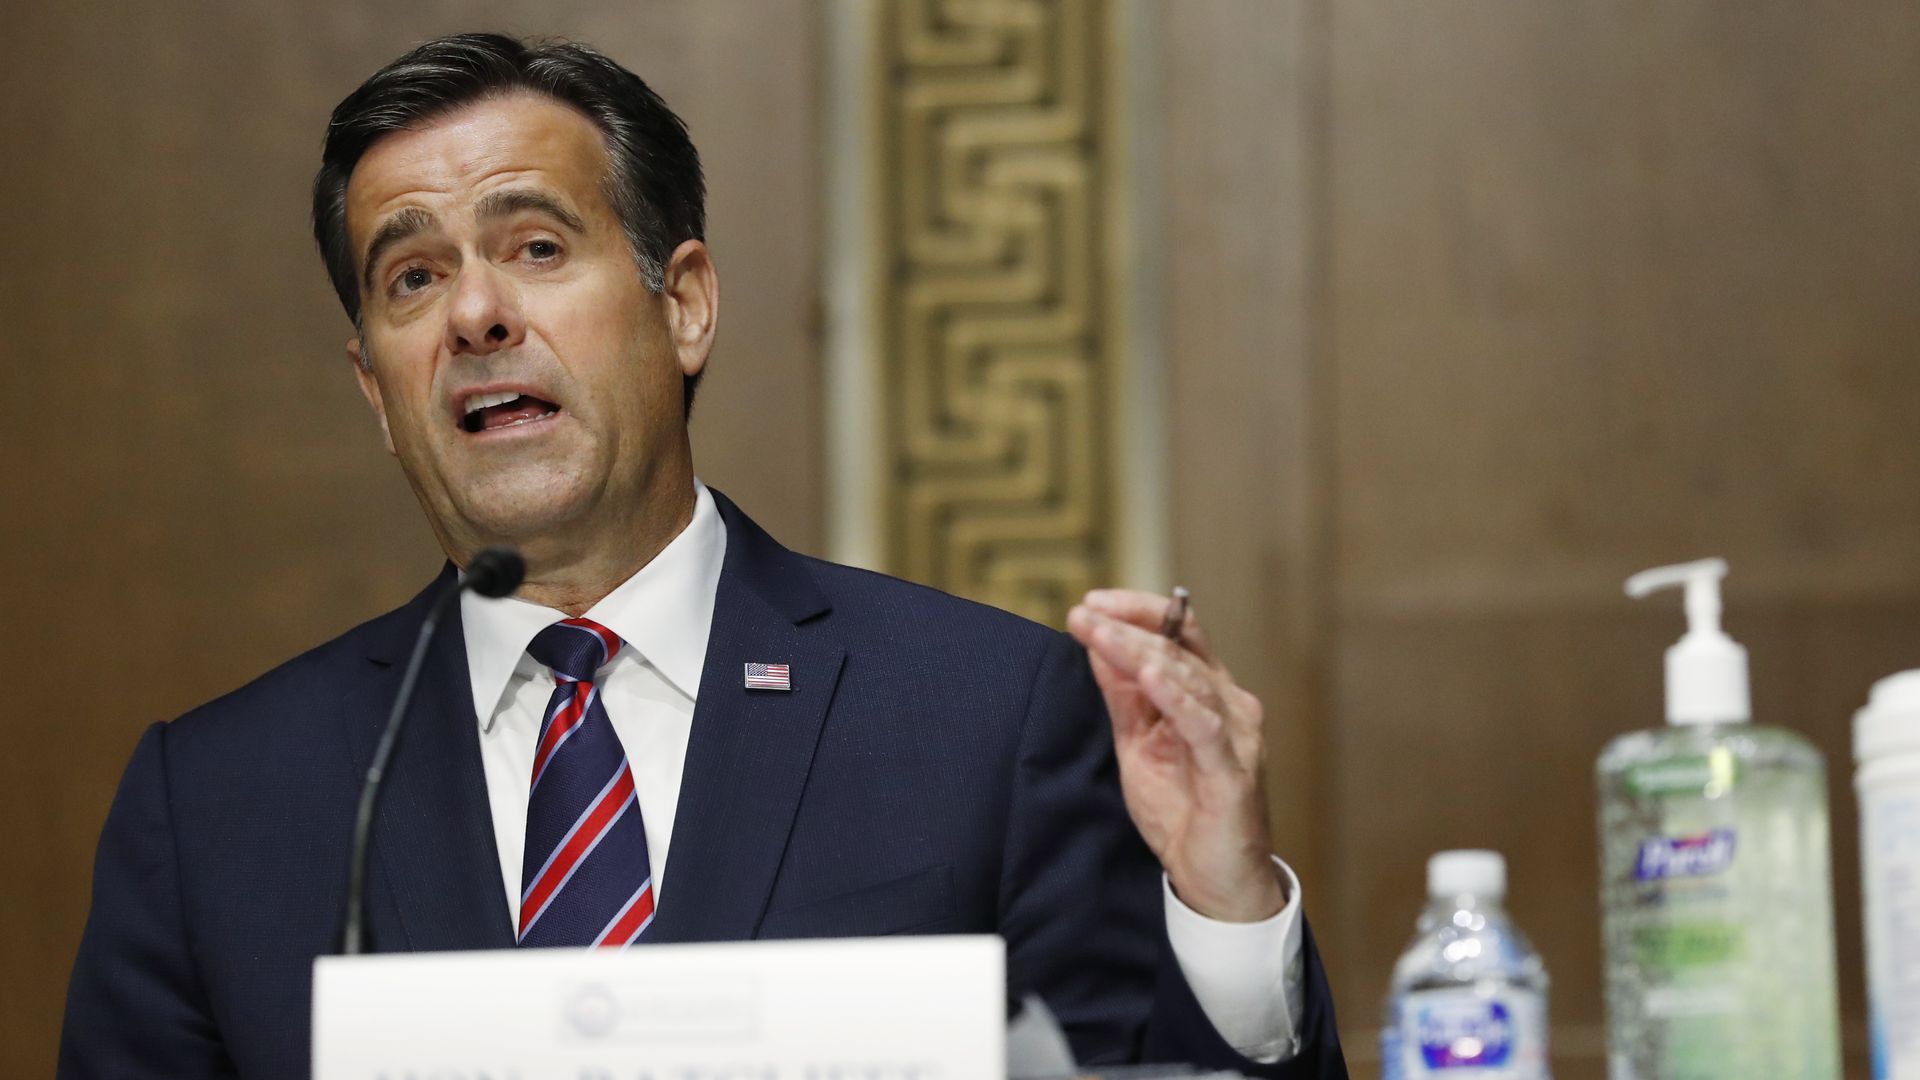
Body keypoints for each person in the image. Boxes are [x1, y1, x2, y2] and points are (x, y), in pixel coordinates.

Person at [59, 33, 1346, 1079]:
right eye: (409, 278)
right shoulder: (221, 800)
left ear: (684, 306)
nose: (473, 312)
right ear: (376, 391)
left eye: (536, 248)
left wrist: (1229, 916)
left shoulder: (983, 716)